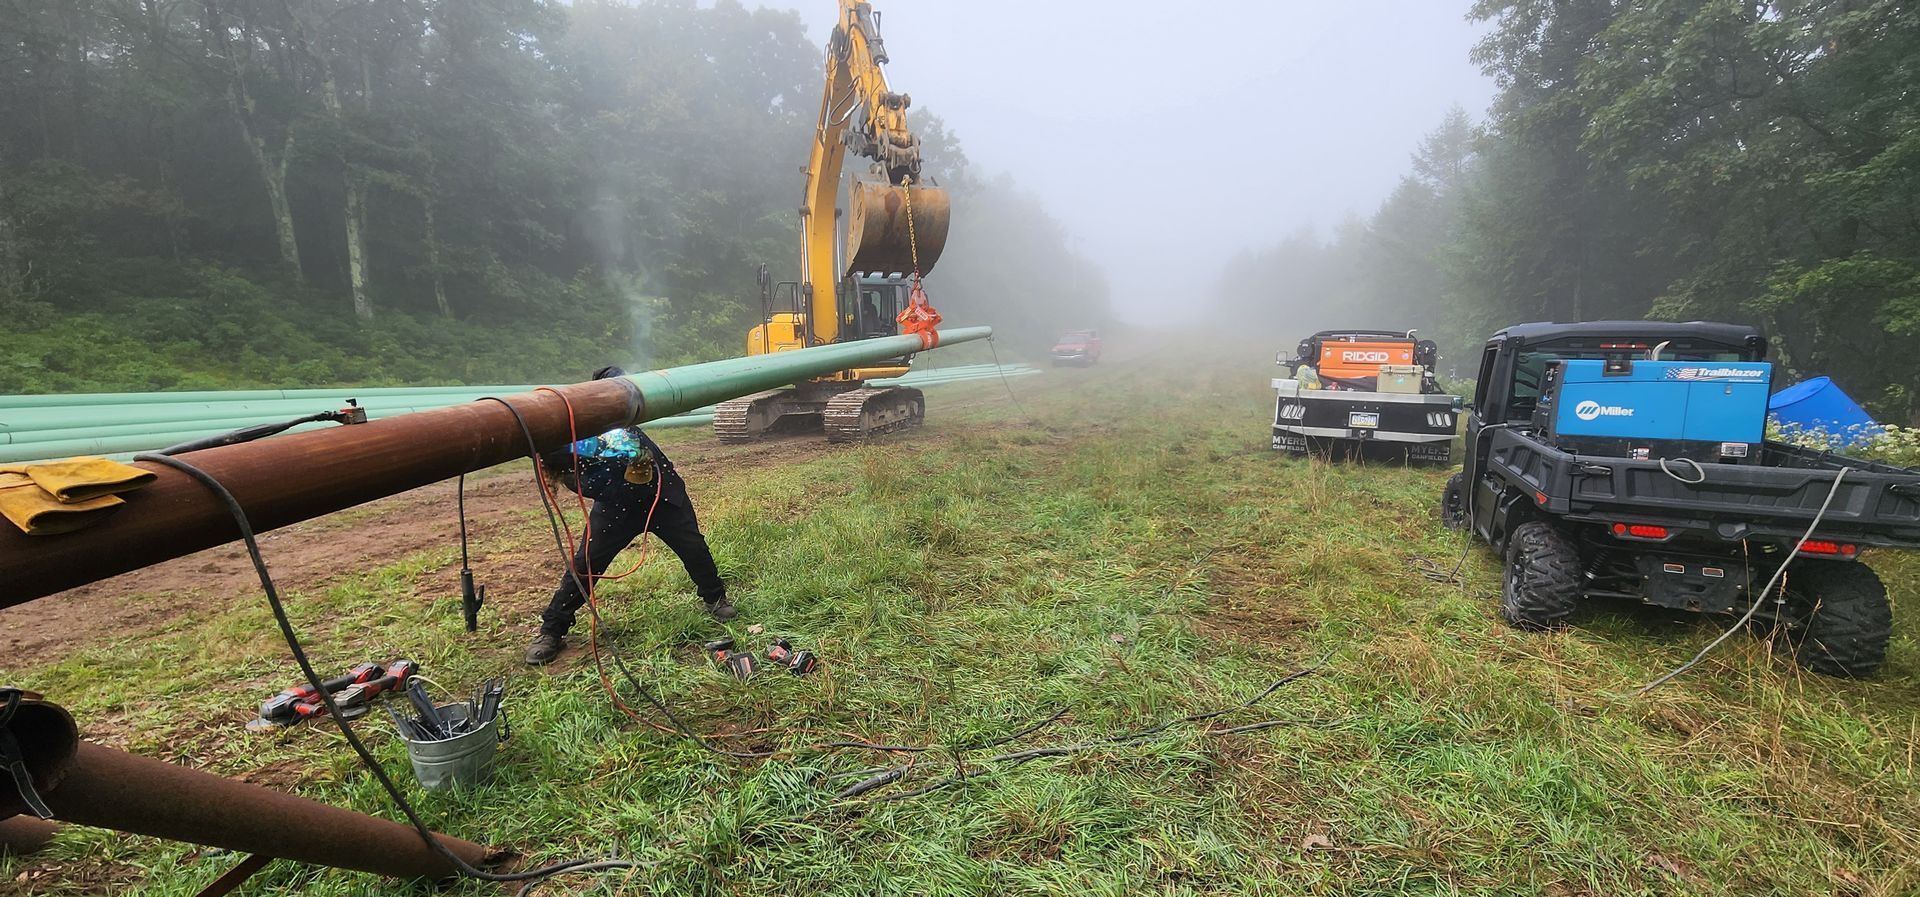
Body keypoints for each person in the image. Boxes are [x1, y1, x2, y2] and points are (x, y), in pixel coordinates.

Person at [525, 365, 734, 665]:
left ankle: (715, 598)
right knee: (586, 564)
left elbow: (612, 374)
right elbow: (592, 483)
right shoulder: (569, 462)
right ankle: (552, 629)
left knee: (693, 548)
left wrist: (612, 391)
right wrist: (619, 472)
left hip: (662, 494)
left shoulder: (610, 414)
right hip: (617, 507)